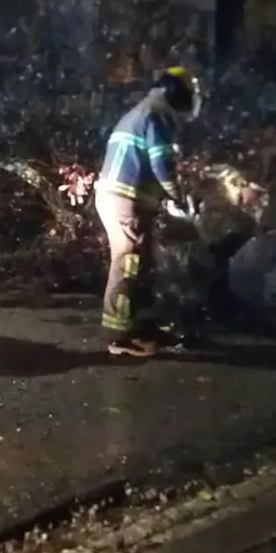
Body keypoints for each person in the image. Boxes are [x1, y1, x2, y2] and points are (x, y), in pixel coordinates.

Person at [94, 66, 202, 357]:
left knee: (143, 262)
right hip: (126, 199)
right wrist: (177, 196)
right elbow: (161, 163)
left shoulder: (144, 110)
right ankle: (120, 336)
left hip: (124, 198)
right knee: (129, 261)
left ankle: (139, 325)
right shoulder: (158, 112)